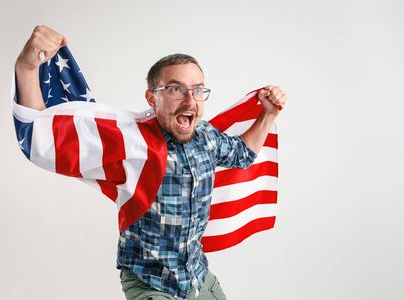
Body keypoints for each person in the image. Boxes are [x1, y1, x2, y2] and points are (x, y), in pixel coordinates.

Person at [15, 25, 287, 300]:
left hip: (197, 278)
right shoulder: (130, 141)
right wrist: (27, 68)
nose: (190, 100)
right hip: (151, 284)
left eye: (197, 90)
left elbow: (242, 153)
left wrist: (268, 115)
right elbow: (43, 138)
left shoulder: (206, 138)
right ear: (151, 97)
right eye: (175, 89)